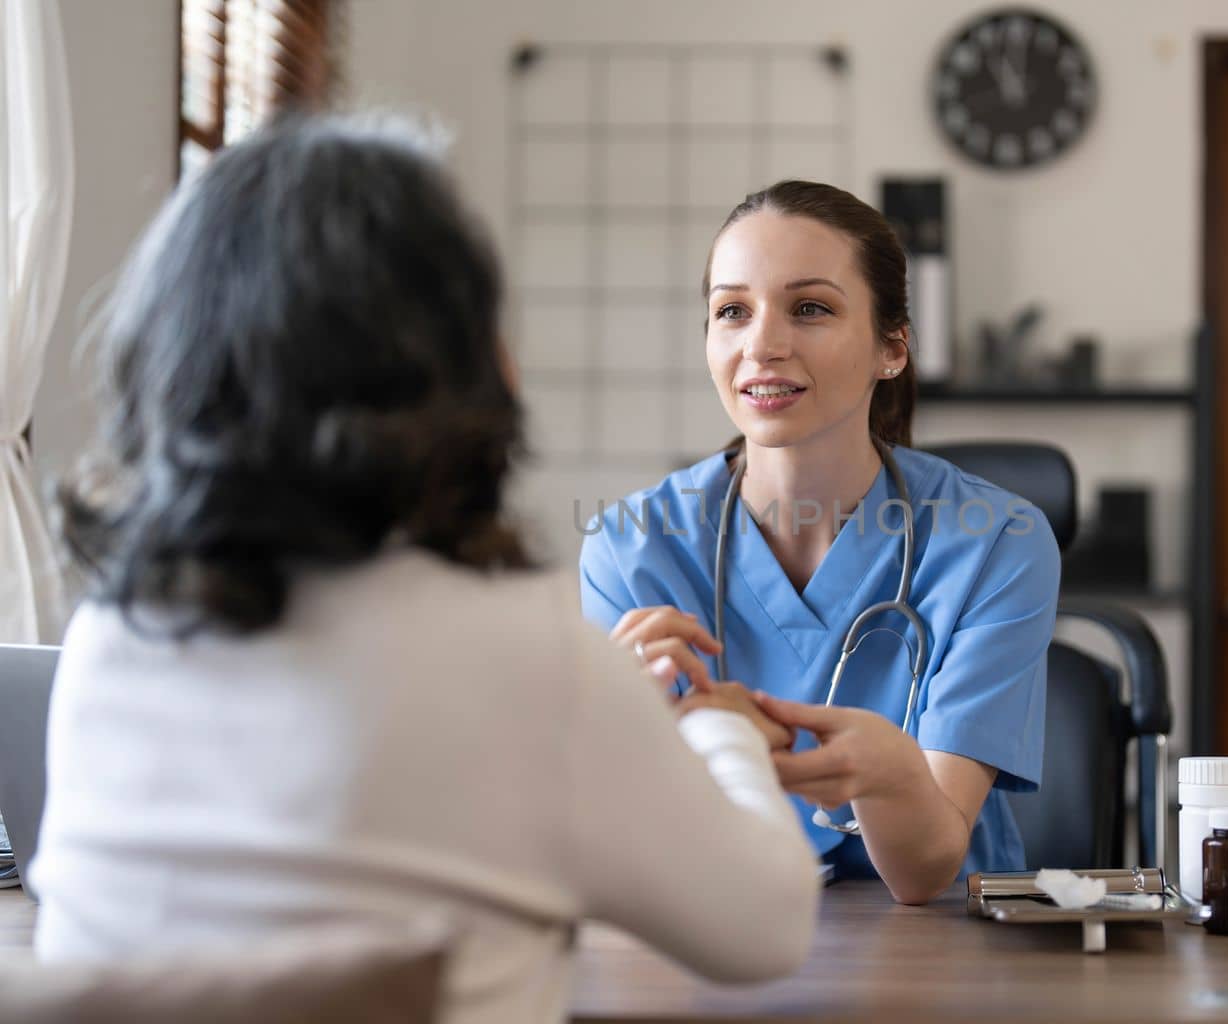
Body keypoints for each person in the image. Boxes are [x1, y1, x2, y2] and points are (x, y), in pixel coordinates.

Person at [31, 116, 818, 1024]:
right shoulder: (528, 657)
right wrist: (719, 733)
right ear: (460, 364)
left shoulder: (110, 641)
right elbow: (764, 932)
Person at [579, 181, 1061, 904]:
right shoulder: (629, 549)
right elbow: (617, 854)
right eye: (732, 311)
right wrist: (615, 740)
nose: (762, 345)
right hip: (719, 928)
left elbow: (926, 870)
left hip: (942, 951)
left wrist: (886, 774)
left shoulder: (998, 544)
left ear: (891, 348)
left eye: (810, 309)